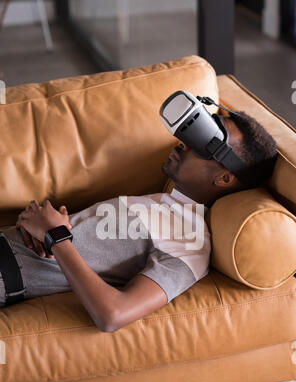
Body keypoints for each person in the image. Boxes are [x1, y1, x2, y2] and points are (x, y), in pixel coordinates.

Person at [0, 111, 277, 332]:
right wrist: (39, 221)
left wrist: (55, 235)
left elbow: (113, 315)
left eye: (204, 145)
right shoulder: (159, 201)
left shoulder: (190, 242)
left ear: (225, 178)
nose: (183, 142)